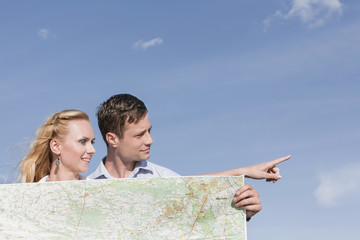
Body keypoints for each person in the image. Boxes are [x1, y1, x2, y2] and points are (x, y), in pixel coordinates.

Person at [88, 93, 291, 220]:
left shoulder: (162, 177)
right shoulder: (83, 190)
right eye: (140, 134)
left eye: (149, 130)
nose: (150, 140)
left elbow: (194, 194)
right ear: (112, 139)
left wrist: (241, 213)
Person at [18, 109, 96, 183]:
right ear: (56, 146)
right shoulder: (29, 195)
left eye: (92, 142)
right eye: (82, 141)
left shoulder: (101, 192)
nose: (92, 150)